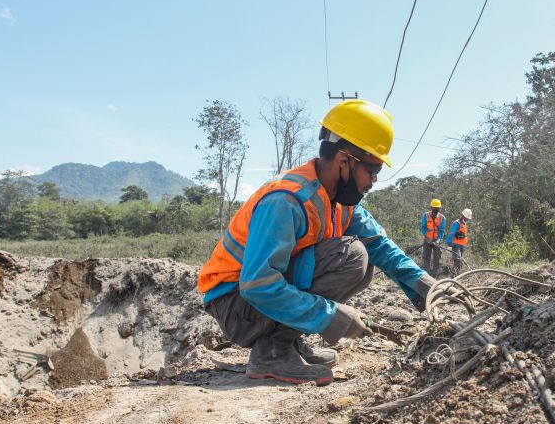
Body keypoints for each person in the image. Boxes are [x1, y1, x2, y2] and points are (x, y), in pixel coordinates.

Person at [197, 99, 438, 386]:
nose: (374, 180)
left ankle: (284, 344)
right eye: (373, 169)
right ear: (344, 161)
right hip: (235, 304)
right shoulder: (286, 200)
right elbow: (257, 284)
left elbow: (380, 246)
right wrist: (330, 316)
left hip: (249, 299)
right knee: (351, 257)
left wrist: (427, 287)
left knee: (362, 260)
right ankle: (271, 351)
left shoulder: (341, 200)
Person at [420, 199, 446, 277]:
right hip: (427, 239)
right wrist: (426, 237)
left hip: (437, 240)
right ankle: (426, 274)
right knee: (426, 256)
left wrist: (438, 240)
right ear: (431, 207)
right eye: (434, 207)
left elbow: (442, 230)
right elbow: (423, 227)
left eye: (437, 208)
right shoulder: (426, 215)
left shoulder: (442, 217)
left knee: (437, 258)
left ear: (439, 208)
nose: (436, 209)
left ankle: (434, 274)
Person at [446, 208, 472, 274]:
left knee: (460, 261)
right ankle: (454, 276)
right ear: (463, 216)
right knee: (458, 260)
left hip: (462, 245)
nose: (468, 219)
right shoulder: (457, 223)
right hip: (456, 244)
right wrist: (449, 243)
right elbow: (452, 232)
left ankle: (455, 275)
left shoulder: (464, 223)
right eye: (467, 217)